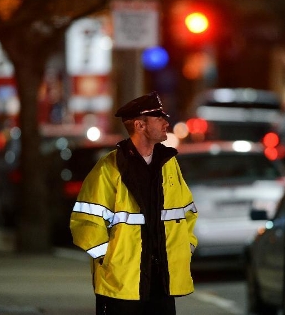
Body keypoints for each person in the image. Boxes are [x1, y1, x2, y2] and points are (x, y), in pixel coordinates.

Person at [70, 92, 198, 315]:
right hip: (122, 286)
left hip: (162, 283)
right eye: (159, 118)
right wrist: (109, 260)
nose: (166, 123)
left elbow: (187, 212)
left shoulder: (169, 164)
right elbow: (85, 222)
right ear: (140, 125)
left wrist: (184, 248)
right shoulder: (109, 168)